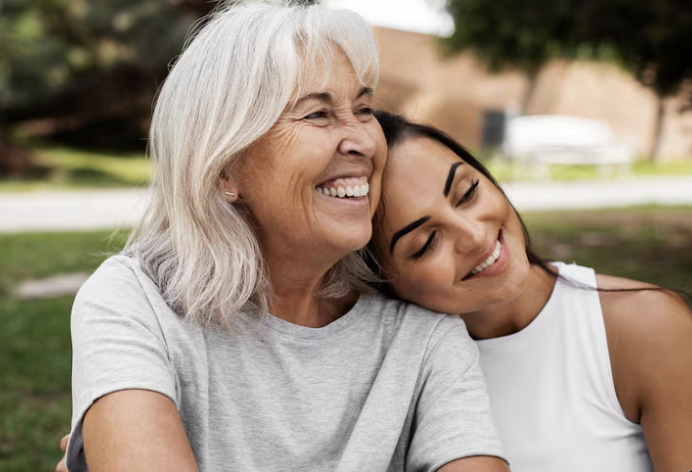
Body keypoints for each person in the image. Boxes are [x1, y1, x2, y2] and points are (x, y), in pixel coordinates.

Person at [61, 2, 509, 472]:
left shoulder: (422, 335)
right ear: (225, 168)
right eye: (317, 114)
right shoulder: (136, 303)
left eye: (363, 107)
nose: (363, 140)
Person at [364, 110, 692, 472]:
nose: (473, 235)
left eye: (467, 192)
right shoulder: (383, 378)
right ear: (384, 282)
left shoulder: (647, 327)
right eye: (426, 242)